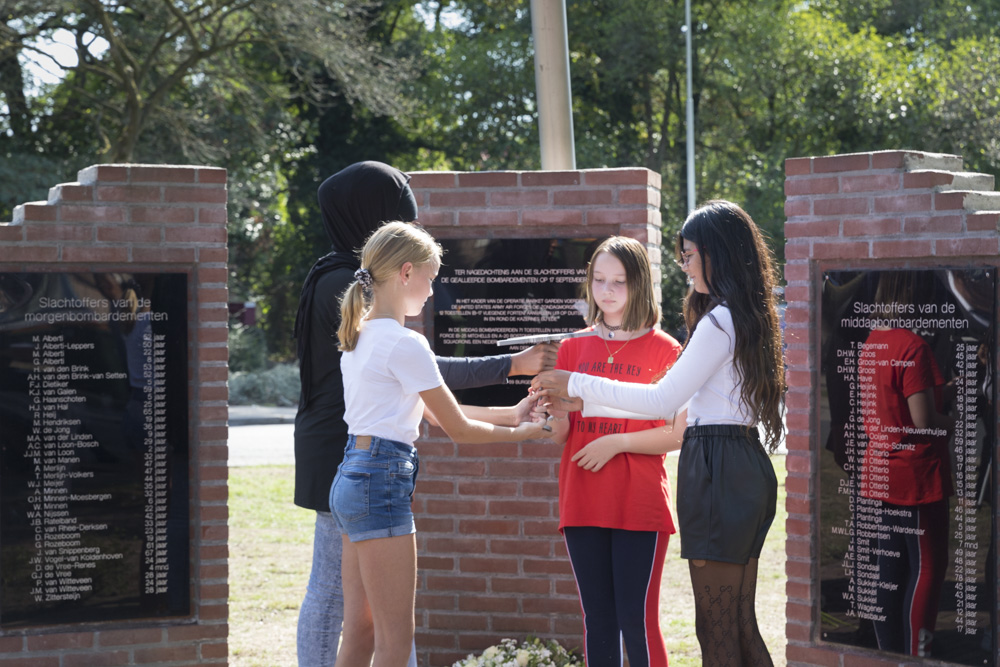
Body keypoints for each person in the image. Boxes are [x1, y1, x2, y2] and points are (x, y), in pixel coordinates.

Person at [293, 161, 556, 665]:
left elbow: (427, 412)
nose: (435, 292)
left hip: (349, 474)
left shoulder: (358, 335)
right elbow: (454, 427)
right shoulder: (406, 343)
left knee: (360, 630)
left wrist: (512, 413)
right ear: (406, 272)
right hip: (382, 481)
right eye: (432, 279)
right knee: (394, 638)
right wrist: (525, 433)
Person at [533, 200, 785, 666]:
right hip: (738, 460)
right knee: (738, 622)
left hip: (718, 466)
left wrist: (576, 383)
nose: (684, 265)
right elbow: (667, 402)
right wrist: (578, 402)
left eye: (688, 254)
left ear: (716, 253)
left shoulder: (717, 322)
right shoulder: (741, 313)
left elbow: (661, 402)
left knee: (718, 628)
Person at [540, 236, 683, 667]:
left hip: (638, 502)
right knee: (598, 620)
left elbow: (675, 435)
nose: (607, 291)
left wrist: (616, 442)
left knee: (636, 619)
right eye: (599, 280)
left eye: (619, 281)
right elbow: (561, 434)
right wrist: (550, 413)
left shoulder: (666, 349)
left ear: (639, 284)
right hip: (582, 498)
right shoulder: (571, 348)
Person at [856, 272, 953, 656]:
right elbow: (923, 420)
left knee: (889, 571)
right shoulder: (913, 346)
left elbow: (892, 401)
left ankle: (889, 652)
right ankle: (917, 653)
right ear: (912, 295)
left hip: (880, 471)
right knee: (929, 566)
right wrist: (956, 419)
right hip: (916, 476)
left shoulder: (872, 342)